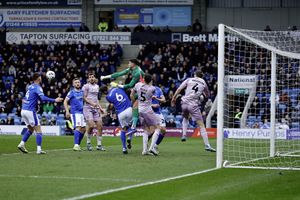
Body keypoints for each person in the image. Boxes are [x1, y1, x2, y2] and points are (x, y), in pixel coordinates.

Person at [17, 73, 63, 154]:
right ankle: (39, 150)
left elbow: (29, 98)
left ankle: (21, 144)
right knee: (39, 130)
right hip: (30, 111)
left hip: (23, 110)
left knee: (31, 129)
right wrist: (54, 100)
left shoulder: (30, 86)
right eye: (40, 77)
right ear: (38, 78)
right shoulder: (38, 87)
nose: (41, 78)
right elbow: (43, 98)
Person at [171, 70, 215, 152]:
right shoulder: (204, 82)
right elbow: (208, 94)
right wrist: (203, 96)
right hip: (193, 105)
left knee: (185, 117)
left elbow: (179, 89)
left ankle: (184, 135)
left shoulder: (189, 79)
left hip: (184, 103)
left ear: (195, 75)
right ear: (202, 76)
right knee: (201, 125)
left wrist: (173, 98)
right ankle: (207, 145)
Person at [100, 59, 145, 136]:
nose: (128, 64)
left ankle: (134, 124)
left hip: (143, 89)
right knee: (133, 103)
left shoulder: (138, 72)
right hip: (138, 89)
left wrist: (117, 85)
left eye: (129, 63)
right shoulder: (131, 69)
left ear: (133, 64)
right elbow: (119, 74)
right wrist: (105, 77)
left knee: (135, 105)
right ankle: (133, 124)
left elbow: (130, 85)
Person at [131, 73, 161, 155]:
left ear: (143, 79)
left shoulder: (138, 85)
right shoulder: (152, 88)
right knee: (158, 127)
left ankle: (144, 150)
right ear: (151, 80)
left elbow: (132, 94)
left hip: (140, 110)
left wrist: (133, 102)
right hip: (148, 110)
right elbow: (152, 94)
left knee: (146, 130)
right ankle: (151, 148)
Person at [102, 85, 133, 154]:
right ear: (108, 87)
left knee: (123, 129)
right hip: (129, 109)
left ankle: (124, 148)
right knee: (132, 125)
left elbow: (113, 104)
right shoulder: (117, 88)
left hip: (120, 113)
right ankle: (129, 137)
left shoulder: (108, 97)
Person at [82, 72, 106, 151]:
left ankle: (99, 145)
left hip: (96, 109)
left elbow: (96, 99)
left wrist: (100, 107)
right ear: (88, 79)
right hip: (88, 108)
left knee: (100, 126)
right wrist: (91, 103)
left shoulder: (97, 86)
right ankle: (88, 143)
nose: (91, 78)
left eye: (93, 77)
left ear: (95, 78)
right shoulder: (85, 86)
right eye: (90, 77)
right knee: (91, 126)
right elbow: (84, 98)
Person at [64, 78, 86, 151]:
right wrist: (67, 111)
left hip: (82, 113)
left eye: (78, 82)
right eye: (76, 82)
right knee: (78, 127)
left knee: (83, 129)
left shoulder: (82, 92)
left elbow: (85, 100)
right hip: (75, 113)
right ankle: (76, 145)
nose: (77, 83)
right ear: (73, 84)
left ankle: (78, 145)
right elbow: (65, 102)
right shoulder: (71, 92)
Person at [150, 85, 167, 153]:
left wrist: (156, 98)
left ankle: (155, 145)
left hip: (158, 112)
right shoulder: (145, 89)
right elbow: (142, 103)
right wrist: (152, 105)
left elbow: (164, 100)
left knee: (163, 131)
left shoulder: (158, 89)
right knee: (150, 132)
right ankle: (147, 148)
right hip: (149, 113)